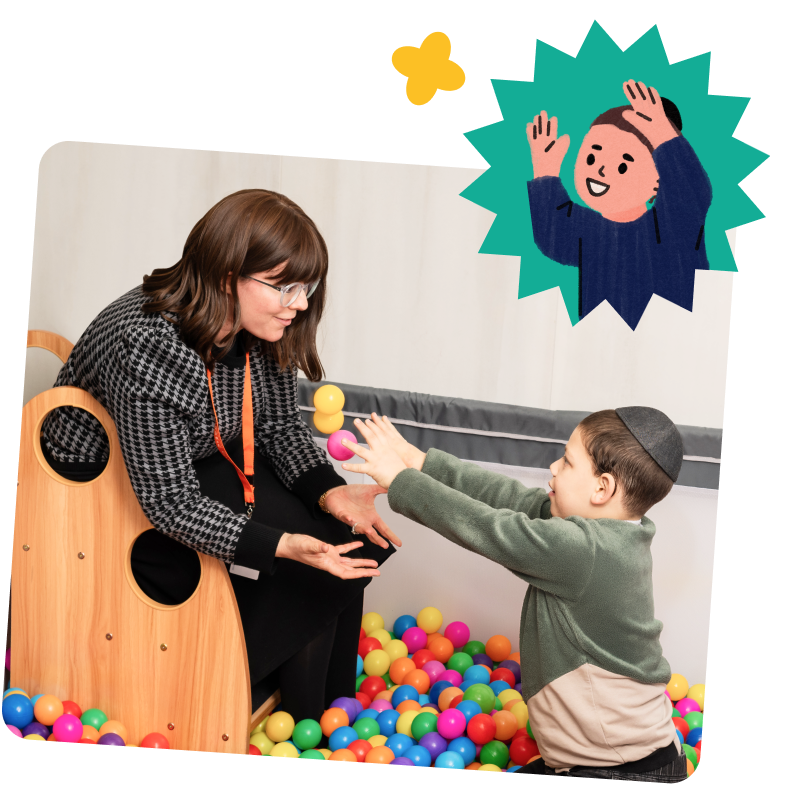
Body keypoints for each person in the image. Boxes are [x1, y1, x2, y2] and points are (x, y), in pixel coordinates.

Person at [39, 188, 402, 723]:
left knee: (345, 538)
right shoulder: (151, 342)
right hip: (95, 488)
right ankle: (237, 694)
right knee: (308, 565)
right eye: (284, 287)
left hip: (185, 455)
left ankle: (331, 712)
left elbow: (278, 426)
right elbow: (168, 502)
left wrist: (328, 492)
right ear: (229, 276)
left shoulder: (261, 322)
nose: (300, 304)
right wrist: (280, 544)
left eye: (307, 287)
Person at [340, 408, 689, 780]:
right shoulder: (615, 534)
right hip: (614, 758)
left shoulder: (585, 551)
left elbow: (490, 527)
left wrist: (402, 480)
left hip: (622, 770)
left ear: (602, 488)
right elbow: (509, 498)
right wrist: (423, 463)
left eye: (567, 462)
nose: (553, 467)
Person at [527, 79, 713, 330]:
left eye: (623, 165)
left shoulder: (671, 226)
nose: (601, 170)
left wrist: (662, 134)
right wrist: (545, 172)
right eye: (592, 157)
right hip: (600, 343)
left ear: (659, 181)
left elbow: (691, 195)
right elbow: (555, 237)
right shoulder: (589, 232)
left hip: (674, 339)